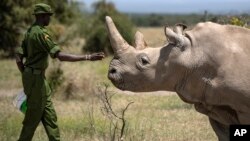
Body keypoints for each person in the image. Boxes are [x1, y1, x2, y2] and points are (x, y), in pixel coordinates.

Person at [15, 3, 105, 141]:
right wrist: (88, 57)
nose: (49, 19)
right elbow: (59, 56)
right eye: (48, 16)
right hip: (36, 81)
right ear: (43, 16)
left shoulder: (29, 32)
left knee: (50, 118)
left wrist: (26, 74)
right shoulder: (41, 34)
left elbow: (18, 58)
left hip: (38, 80)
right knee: (31, 121)